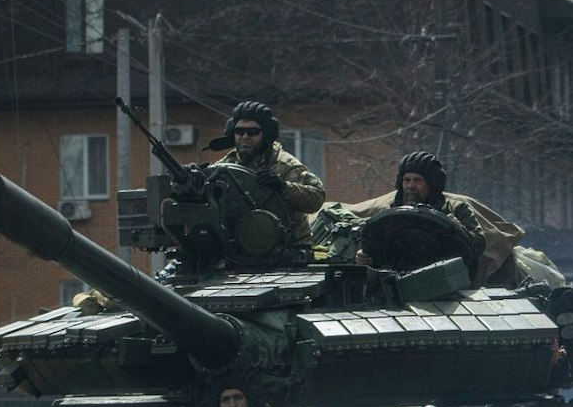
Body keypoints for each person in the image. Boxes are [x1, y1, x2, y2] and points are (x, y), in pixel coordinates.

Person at [346, 151, 525, 285]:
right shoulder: (390, 215)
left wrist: (459, 229)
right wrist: (364, 257)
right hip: (397, 285)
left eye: (417, 180)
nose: (411, 186)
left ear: (431, 184)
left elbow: (477, 247)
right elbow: (376, 250)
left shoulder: (456, 209)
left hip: (447, 284)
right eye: (407, 180)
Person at [205, 100, 325, 243]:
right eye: (239, 132)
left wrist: (283, 187)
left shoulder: (285, 165)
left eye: (253, 132)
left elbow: (317, 198)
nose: (245, 137)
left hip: (287, 246)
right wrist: (200, 178)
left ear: (266, 134)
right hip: (238, 245)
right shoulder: (225, 166)